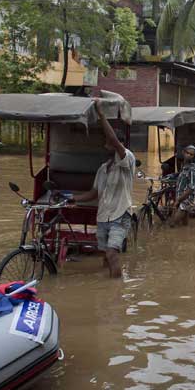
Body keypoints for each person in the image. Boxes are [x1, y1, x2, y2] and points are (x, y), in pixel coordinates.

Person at [71, 98, 135, 278]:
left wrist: (101, 114)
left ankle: (116, 292)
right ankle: (106, 286)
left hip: (120, 215)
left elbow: (114, 141)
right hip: (103, 216)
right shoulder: (102, 169)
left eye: (109, 140)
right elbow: (93, 193)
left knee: (112, 253)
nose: (106, 142)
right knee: (104, 255)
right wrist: (71, 198)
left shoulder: (126, 159)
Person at [168, 145, 195, 227]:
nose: (188, 155)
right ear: (183, 152)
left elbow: (191, 188)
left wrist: (178, 200)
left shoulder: (193, 169)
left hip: (186, 199)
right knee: (184, 224)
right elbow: (180, 176)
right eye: (187, 153)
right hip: (179, 196)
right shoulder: (184, 166)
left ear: (194, 156)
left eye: (191, 154)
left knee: (172, 224)